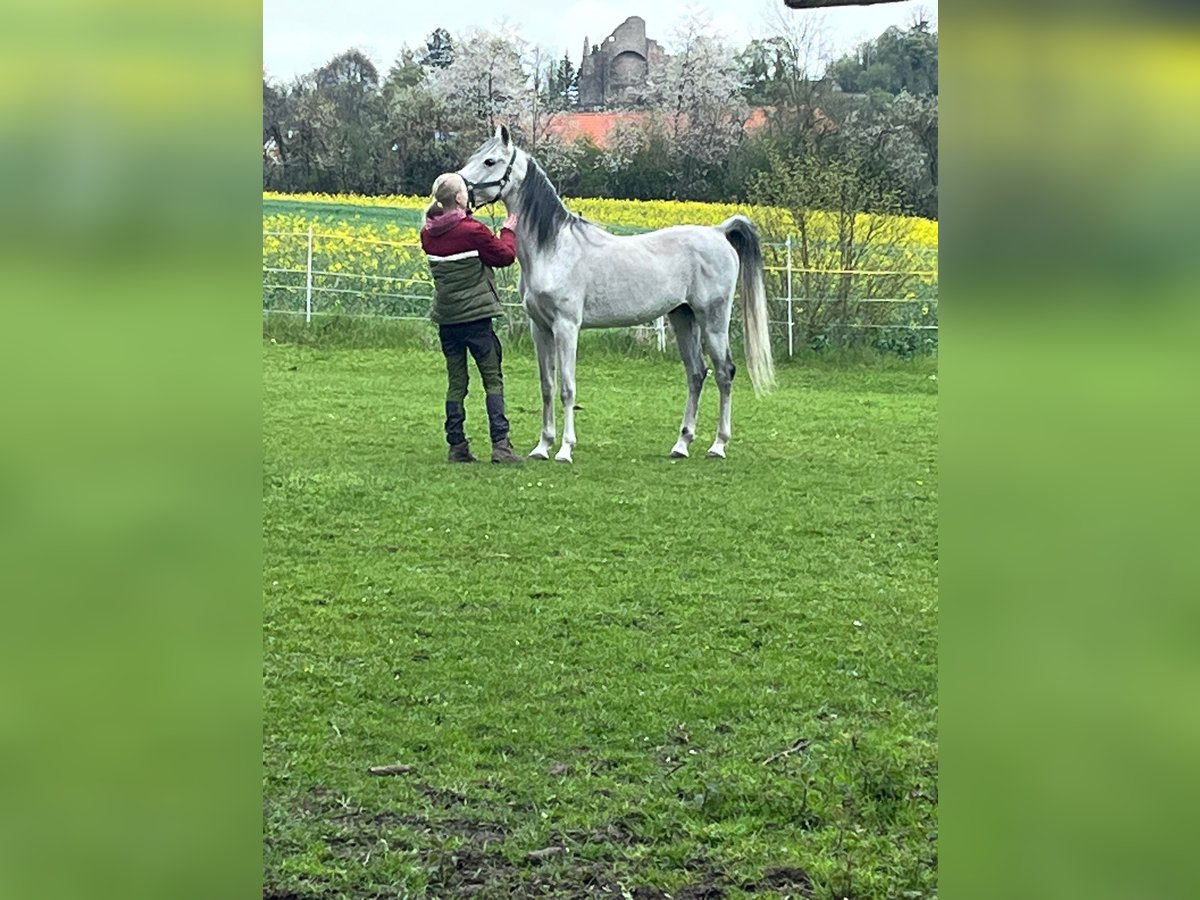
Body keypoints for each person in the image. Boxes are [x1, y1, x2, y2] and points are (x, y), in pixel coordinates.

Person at [420, 172, 522, 464]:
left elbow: (451, 233)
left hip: (447, 320)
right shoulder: (473, 231)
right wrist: (508, 230)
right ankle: (501, 446)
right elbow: (504, 256)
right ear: (461, 198)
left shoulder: (428, 233)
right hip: (477, 320)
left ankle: (457, 445)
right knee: (492, 379)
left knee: (457, 383)